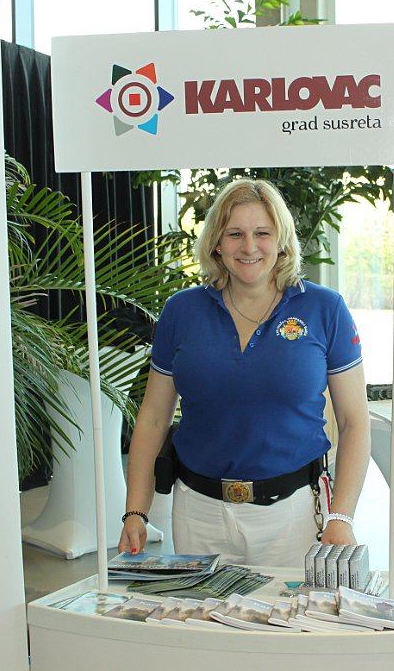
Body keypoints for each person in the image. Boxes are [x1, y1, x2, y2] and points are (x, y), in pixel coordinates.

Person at [118, 178, 370, 567]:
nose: (249, 246)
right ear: (216, 243)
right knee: (203, 607)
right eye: (235, 233)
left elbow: (355, 422)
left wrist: (341, 516)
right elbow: (152, 418)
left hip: (295, 515)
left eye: (262, 233)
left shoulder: (325, 309)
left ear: (282, 240)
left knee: (287, 610)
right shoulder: (181, 312)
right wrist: (136, 510)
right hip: (197, 512)